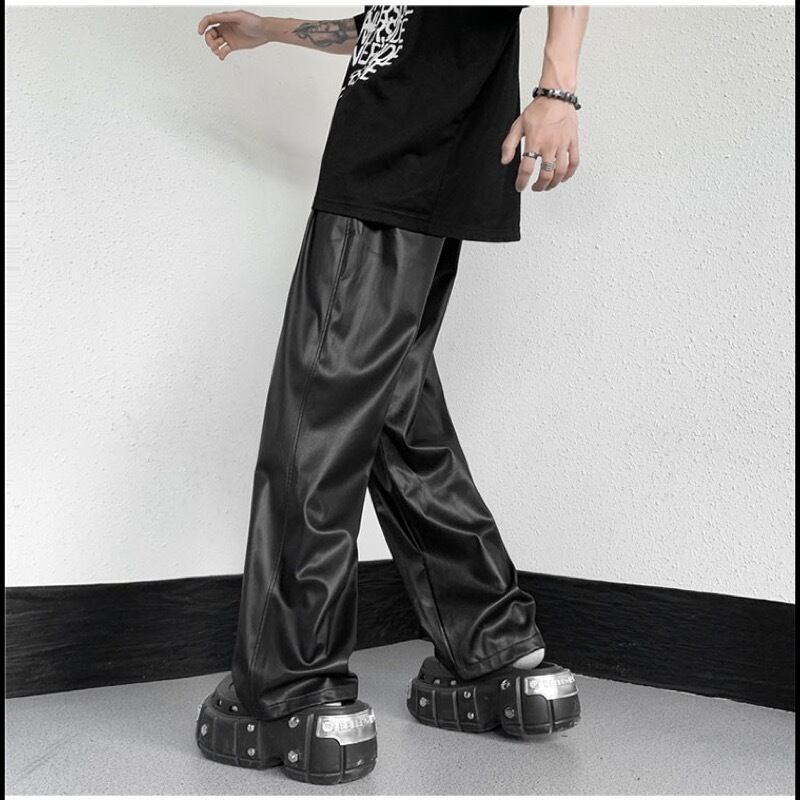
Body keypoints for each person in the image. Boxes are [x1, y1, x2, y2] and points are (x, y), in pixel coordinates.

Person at [193, 4, 589, 786]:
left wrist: (558, 89)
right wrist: (271, 29)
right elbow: (395, 23)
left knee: (317, 416)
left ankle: (286, 688)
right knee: (395, 412)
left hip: (394, 151)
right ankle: (495, 650)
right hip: (428, 151)